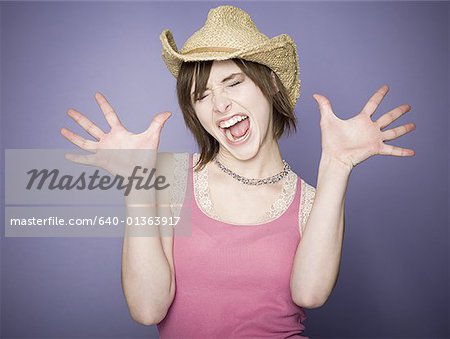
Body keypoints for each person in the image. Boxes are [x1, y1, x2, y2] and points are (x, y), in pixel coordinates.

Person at [60, 5, 416, 338]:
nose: (219, 105)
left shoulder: (310, 200)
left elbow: (310, 294)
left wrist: (337, 167)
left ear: (271, 84)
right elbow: (147, 309)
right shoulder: (170, 181)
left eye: (233, 82)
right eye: (201, 95)